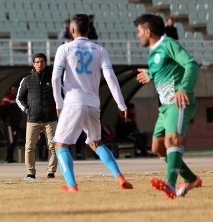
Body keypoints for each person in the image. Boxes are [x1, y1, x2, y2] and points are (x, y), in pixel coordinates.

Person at [51, 14, 133, 192]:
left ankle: (72, 185)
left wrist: (58, 102)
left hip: (72, 102)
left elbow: (56, 77)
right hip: (93, 104)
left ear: (71, 30)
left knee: (60, 144)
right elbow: (110, 77)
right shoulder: (99, 50)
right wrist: (121, 104)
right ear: (88, 30)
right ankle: (119, 176)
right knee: (96, 143)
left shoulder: (64, 49)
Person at [134, 13, 201, 199]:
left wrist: (184, 88)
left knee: (171, 141)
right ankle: (191, 179)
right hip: (164, 107)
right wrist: (151, 73)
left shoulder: (169, 44)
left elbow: (191, 64)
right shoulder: (153, 52)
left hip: (178, 103)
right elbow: (164, 68)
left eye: (139, 31)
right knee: (157, 148)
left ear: (148, 32)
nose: (137, 35)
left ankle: (170, 185)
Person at [16, 53, 58, 180]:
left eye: (42, 62)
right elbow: (19, 98)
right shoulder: (27, 80)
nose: (40, 64)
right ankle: (30, 173)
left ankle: (51, 172)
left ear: (45, 63)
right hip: (33, 119)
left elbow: (62, 95)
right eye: (37, 62)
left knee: (53, 146)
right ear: (33, 64)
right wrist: (27, 110)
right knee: (29, 147)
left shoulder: (54, 79)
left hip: (50, 119)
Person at [0, 84, 22, 163]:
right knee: (11, 140)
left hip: (16, 123)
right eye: (13, 90)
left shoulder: (18, 99)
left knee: (14, 140)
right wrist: (6, 120)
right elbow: (2, 111)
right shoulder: (7, 99)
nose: (15, 92)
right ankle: (8, 158)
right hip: (10, 124)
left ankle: (11, 157)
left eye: (16, 90)